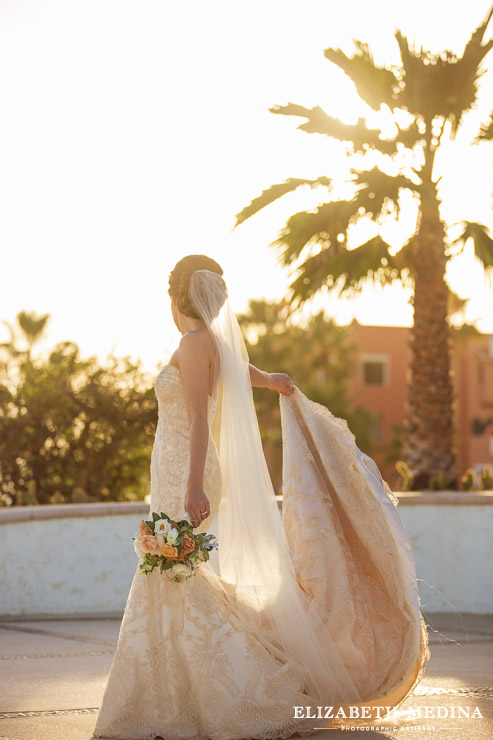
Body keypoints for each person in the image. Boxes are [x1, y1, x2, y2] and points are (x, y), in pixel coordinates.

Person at [93, 255, 429, 740]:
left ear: (175, 299)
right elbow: (235, 368)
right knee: (177, 573)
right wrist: (270, 380)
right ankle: (182, 690)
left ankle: (203, 692)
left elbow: (198, 419)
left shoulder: (191, 343)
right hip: (183, 470)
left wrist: (192, 485)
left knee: (172, 570)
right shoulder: (211, 342)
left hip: (183, 473)